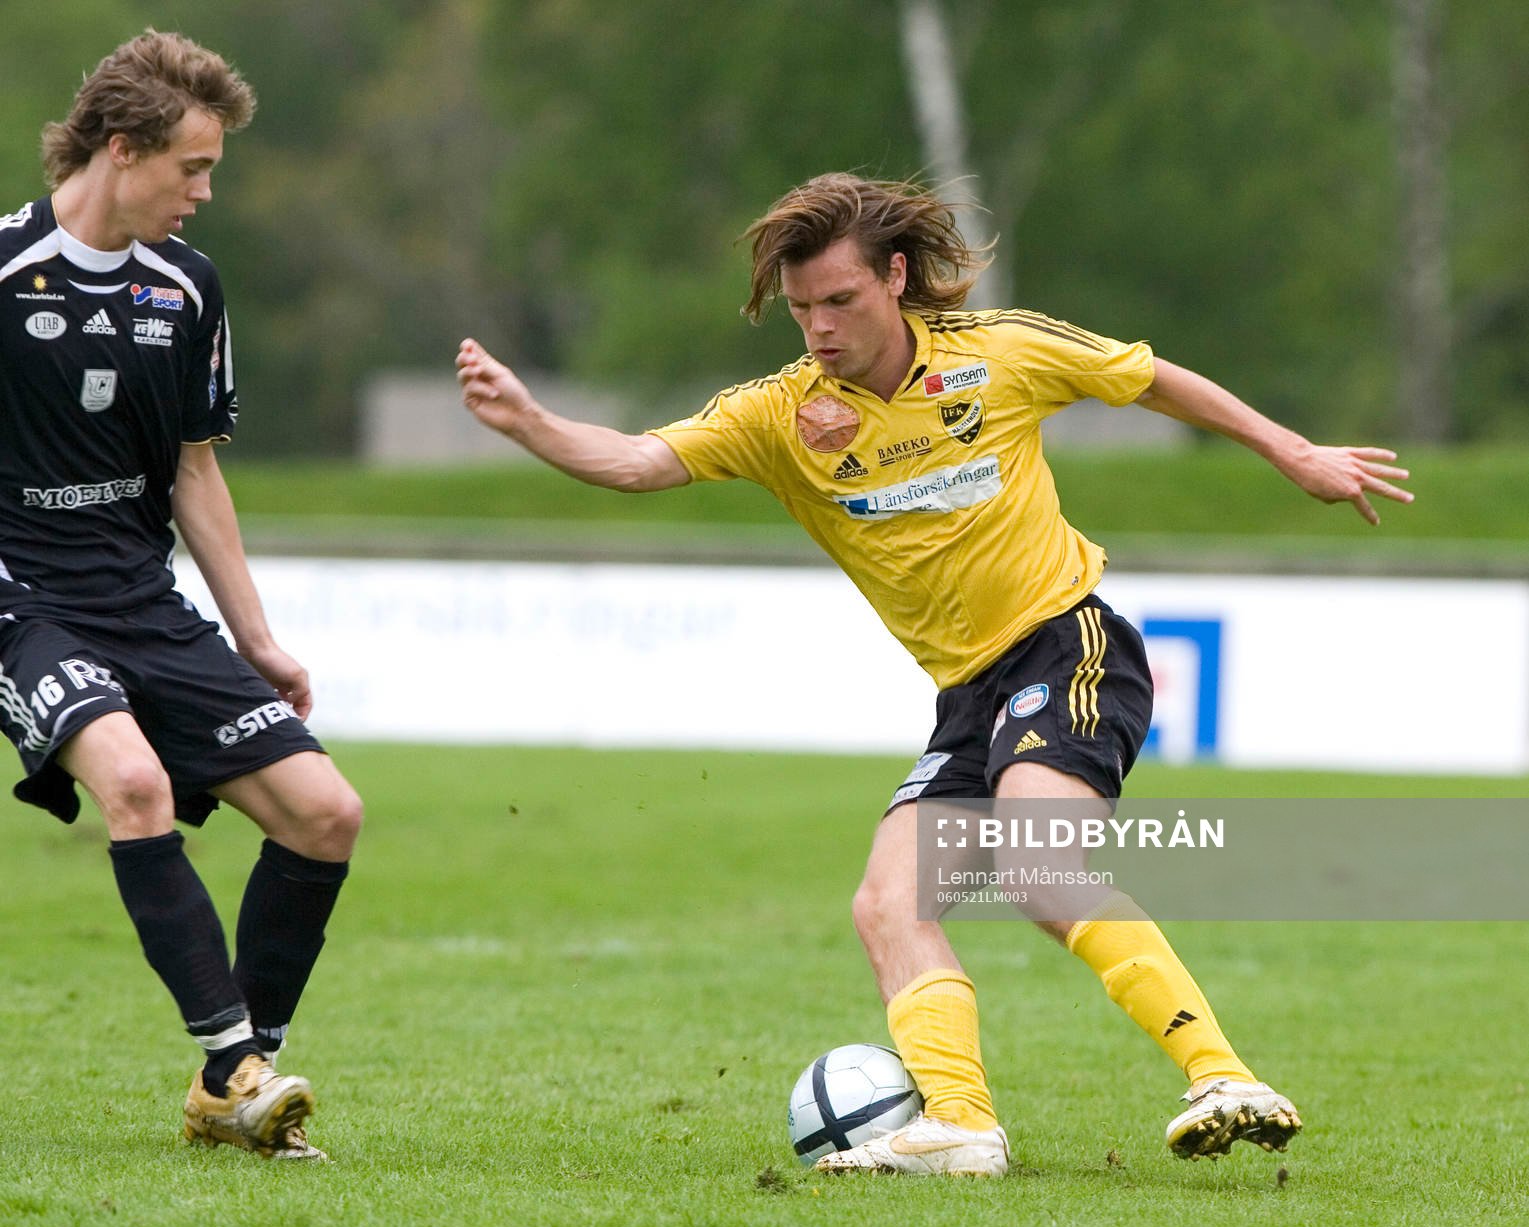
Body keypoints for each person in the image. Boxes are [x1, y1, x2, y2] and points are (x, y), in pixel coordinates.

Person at [456, 173, 1412, 1175]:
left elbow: (1147, 375)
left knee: (1039, 867)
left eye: (838, 301)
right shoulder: (780, 413)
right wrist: (531, 422)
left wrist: (1287, 447)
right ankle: (959, 1124)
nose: (817, 328)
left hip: (1066, 644)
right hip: (968, 697)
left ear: (895, 276)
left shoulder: (999, 353)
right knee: (886, 904)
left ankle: (1221, 1075)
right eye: (799, 309)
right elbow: (637, 458)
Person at [0, 31, 362, 1161]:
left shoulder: (187, 288)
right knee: (135, 781)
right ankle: (240, 1066)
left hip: (140, 600)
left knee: (325, 811)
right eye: (192, 168)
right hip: (18, 596)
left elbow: (196, 468)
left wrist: (254, 636)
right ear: (121, 148)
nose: (204, 193)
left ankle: (230, 1081)